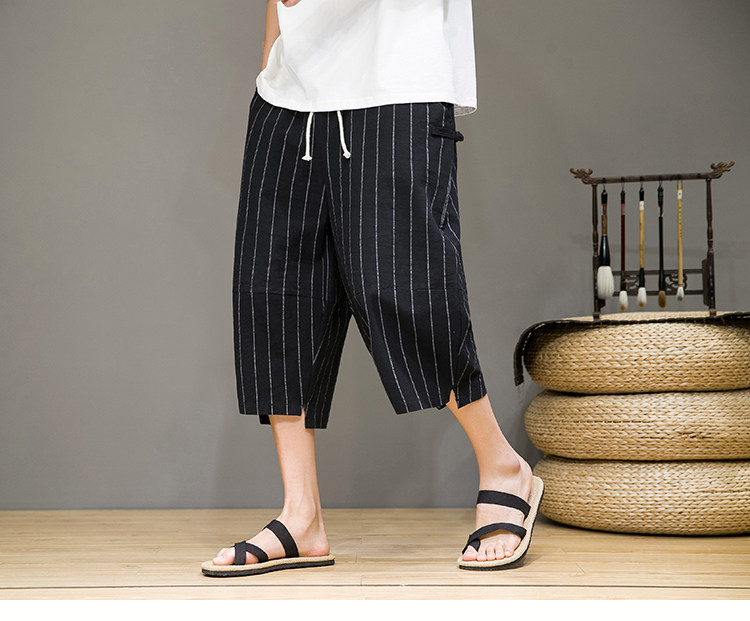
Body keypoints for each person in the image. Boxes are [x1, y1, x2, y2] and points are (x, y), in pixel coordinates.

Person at [201, 0, 543, 577]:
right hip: (288, 97)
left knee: (405, 288)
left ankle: (503, 466)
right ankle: (301, 515)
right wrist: (270, 71)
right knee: (274, 293)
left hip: (395, 83)